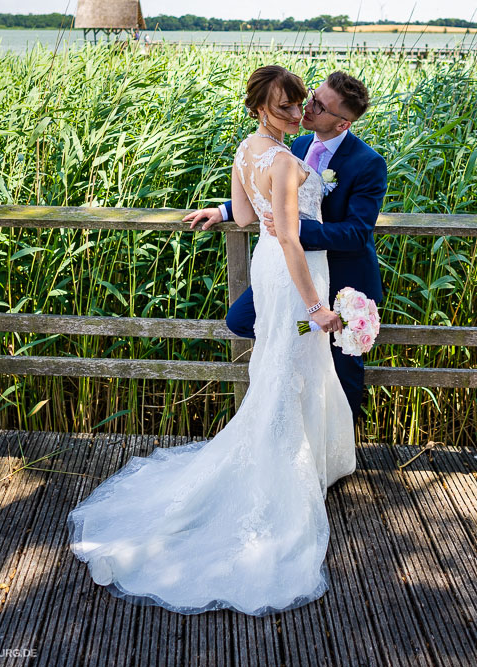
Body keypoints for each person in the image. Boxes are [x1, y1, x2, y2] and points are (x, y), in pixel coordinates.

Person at [68, 65, 357, 616]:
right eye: (283, 108)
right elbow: (293, 240)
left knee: (280, 364)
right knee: (289, 364)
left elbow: (247, 218)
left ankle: (306, 457)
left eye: (299, 105)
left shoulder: (246, 152)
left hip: (267, 268)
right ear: (259, 109)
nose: (296, 116)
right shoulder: (288, 162)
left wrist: (241, 210)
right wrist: (318, 307)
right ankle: (283, 473)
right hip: (297, 274)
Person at [184, 71, 387, 424]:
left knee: (342, 368)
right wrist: (224, 211)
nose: (305, 109)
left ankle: (337, 445)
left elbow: (357, 232)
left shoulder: (368, 163)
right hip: (296, 273)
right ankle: (296, 422)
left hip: (343, 279)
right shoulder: (294, 146)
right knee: (246, 321)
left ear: (342, 124)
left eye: (319, 107)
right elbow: (277, 195)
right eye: (313, 96)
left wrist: (298, 231)